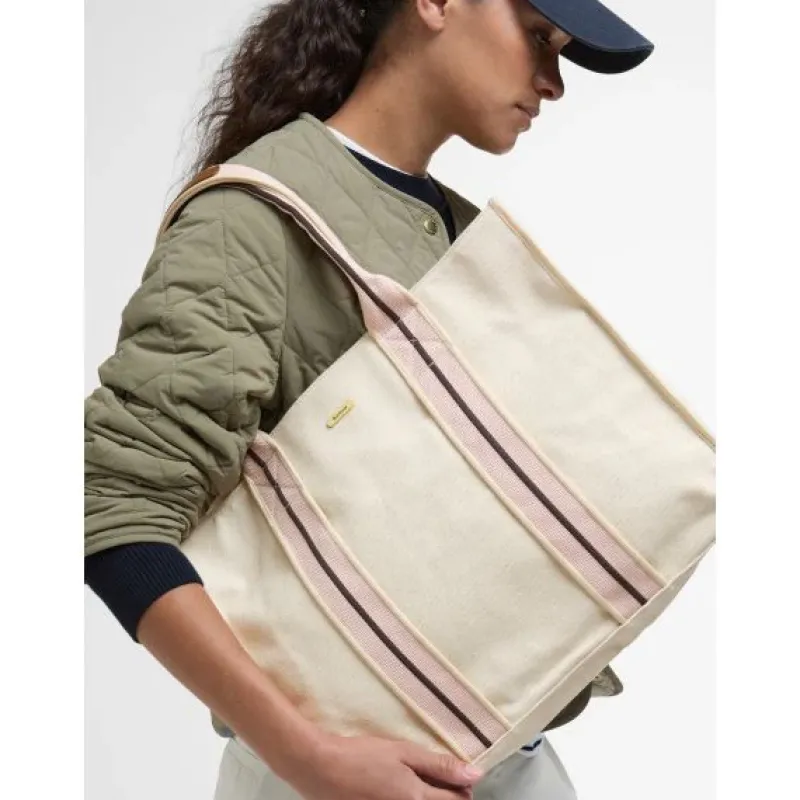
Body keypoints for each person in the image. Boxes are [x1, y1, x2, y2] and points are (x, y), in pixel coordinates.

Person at [85, 1, 655, 798]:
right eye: (538, 37)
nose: (553, 82)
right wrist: (305, 756)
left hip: (511, 763)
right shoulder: (250, 220)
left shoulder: (464, 235)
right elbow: (115, 511)